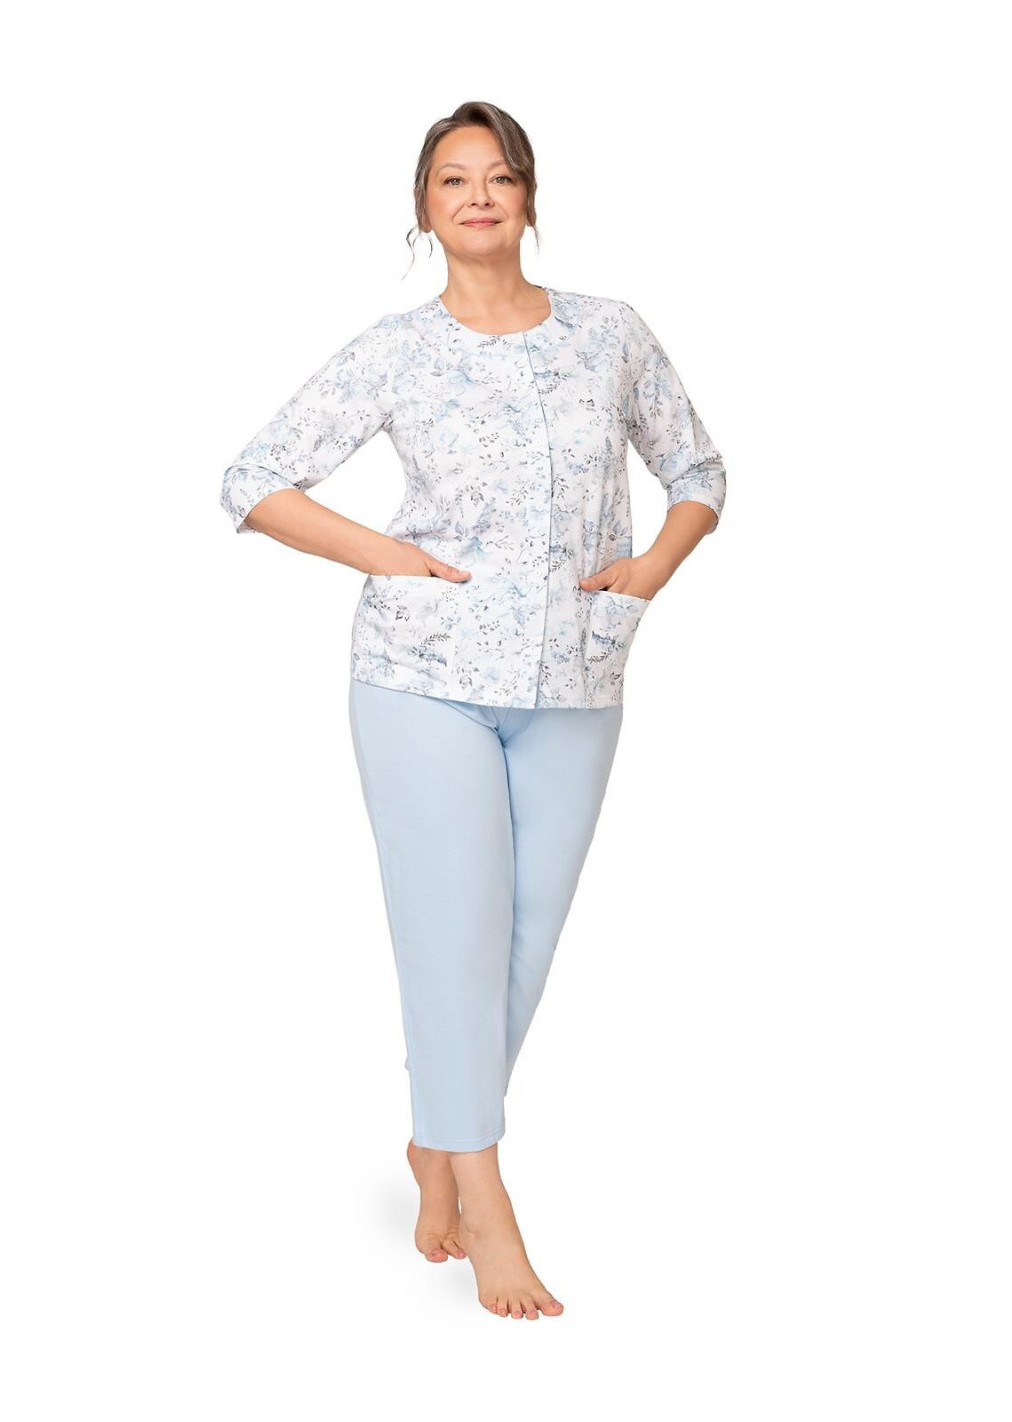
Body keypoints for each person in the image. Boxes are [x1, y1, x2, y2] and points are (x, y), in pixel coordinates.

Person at [219, 101, 726, 1320]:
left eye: (498, 176)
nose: (479, 195)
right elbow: (253, 481)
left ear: (527, 196)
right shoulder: (395, 350)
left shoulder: (608, 333)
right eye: (454, 179)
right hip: (422, 678)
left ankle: (433, 1142)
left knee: (522, 941)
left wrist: (649, 571)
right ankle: (485, 1197)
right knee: (451, 935)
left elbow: (697, 471)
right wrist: (387, 558)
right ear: (424, 207)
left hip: (577, 676)